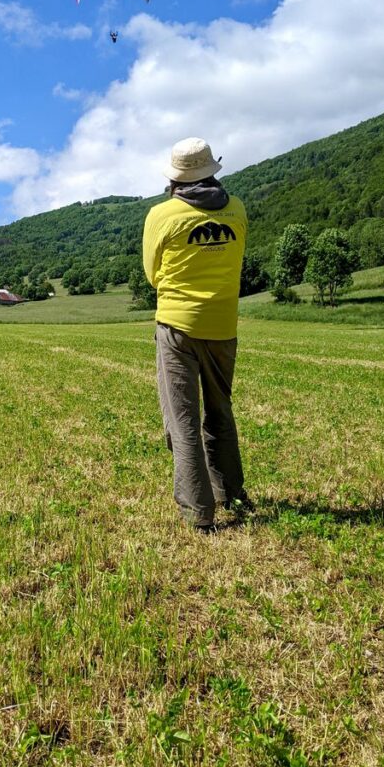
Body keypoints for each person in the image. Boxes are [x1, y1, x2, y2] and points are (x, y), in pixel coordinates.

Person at [143, 137, 250, 533]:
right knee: (220, 412)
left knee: (182, 419)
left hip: (177, 327)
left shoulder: (161, 214)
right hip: (224, 326)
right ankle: (233, 495)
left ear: (176, 178)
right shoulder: (237, 209)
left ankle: (198, 513)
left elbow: (152, 274)